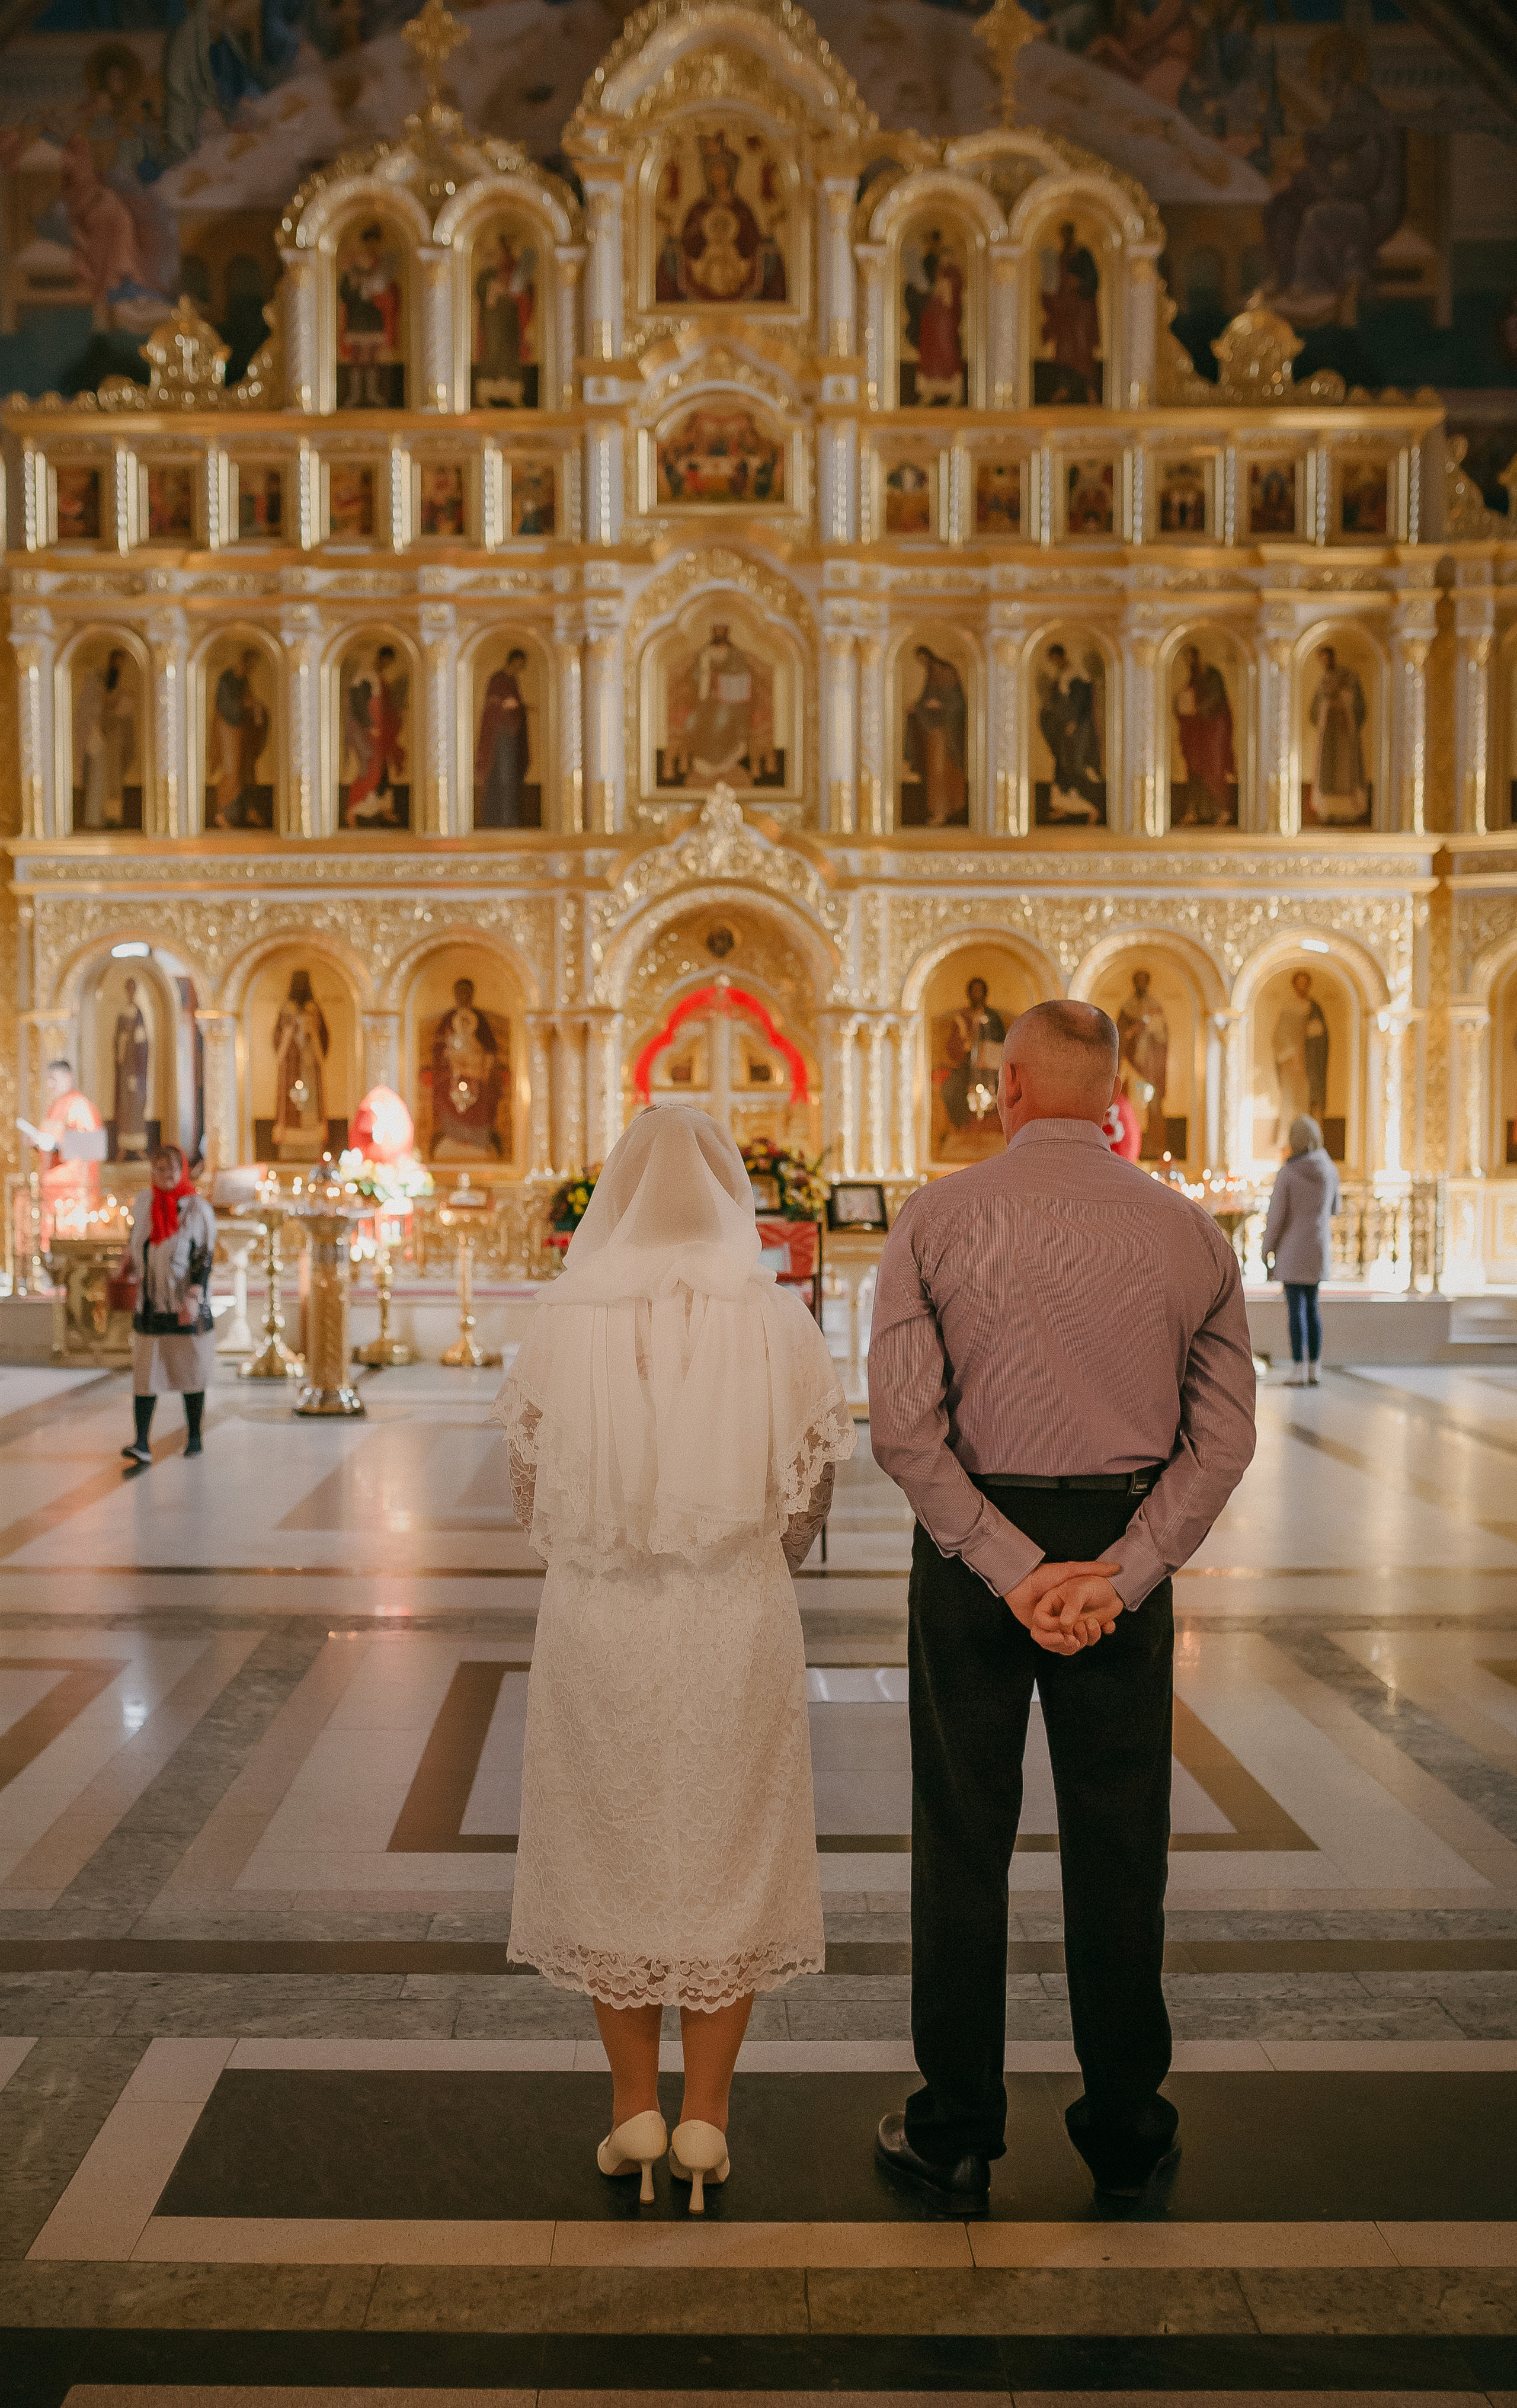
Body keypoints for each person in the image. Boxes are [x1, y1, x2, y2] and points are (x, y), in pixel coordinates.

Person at [867, 1000, 1256, 2210]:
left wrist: (999, 1559)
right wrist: (1120, 1573)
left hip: (973, 1552)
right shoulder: (1188, 1231)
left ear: (1011, 1086)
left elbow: (899, 1428)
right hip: (1114, 1556)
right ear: (1112, 1093)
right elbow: (1225, 1437)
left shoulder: (933, 1217)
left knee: (962, 1836)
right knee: (1119, 1842)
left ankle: (956, 2127)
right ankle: (1126, 2126)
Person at [497, 1107, 854, 2212]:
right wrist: (746, 1545)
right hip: (733, 1616)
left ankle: (630, 2109)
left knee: (610, 1844)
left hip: (601, 1616)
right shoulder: (778, 1321)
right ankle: (708, 2118)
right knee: (728, 1855)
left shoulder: (565, 1320)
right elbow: (809, 1501)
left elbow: (528, 1496)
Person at [119, 1142, 217, 1466]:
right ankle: (142, 1442)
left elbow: (204, 1256)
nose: (163, 1175)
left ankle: (194, 1437)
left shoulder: (197, 1209)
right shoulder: (145, 1203)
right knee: (146, 1373)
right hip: (151, 1303)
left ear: (182, 1171)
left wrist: (194, 1294)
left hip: (183, 1303)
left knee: (190, 1369)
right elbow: (136, 1242)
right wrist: (127, 1267)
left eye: (170, 1169)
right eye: (157, 1169)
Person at [1262, 1113, 1340, 1388]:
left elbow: (1277, 1217)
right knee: (1313, 1308)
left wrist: (1266, 1249)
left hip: (1292, 1250)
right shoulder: (1330, 1169)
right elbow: (1335, 1209)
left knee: (1296, 1309)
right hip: (1318, 1248)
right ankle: (1315, 1368)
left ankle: (1297, 1368)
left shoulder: (1289, 1172)